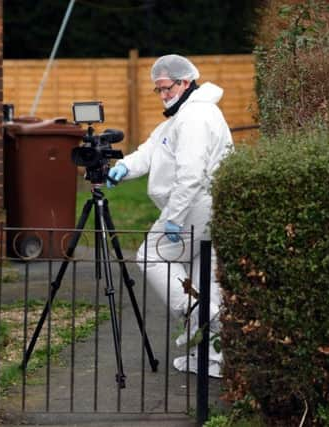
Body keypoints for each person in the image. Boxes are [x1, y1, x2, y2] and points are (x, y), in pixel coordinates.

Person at [106, 54, 233, 377]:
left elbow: (191, 174)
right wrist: (123, 167)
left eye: (167, 88)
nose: (163, 95)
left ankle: (199, 313)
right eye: (158, 90)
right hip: (200, 206)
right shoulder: (182, 117)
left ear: (186, 82)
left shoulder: (195, 117)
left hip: (194, 205)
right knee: (199, 275)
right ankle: (212, 359)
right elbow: (151, 150)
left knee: (150, 256)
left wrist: (175, 217)